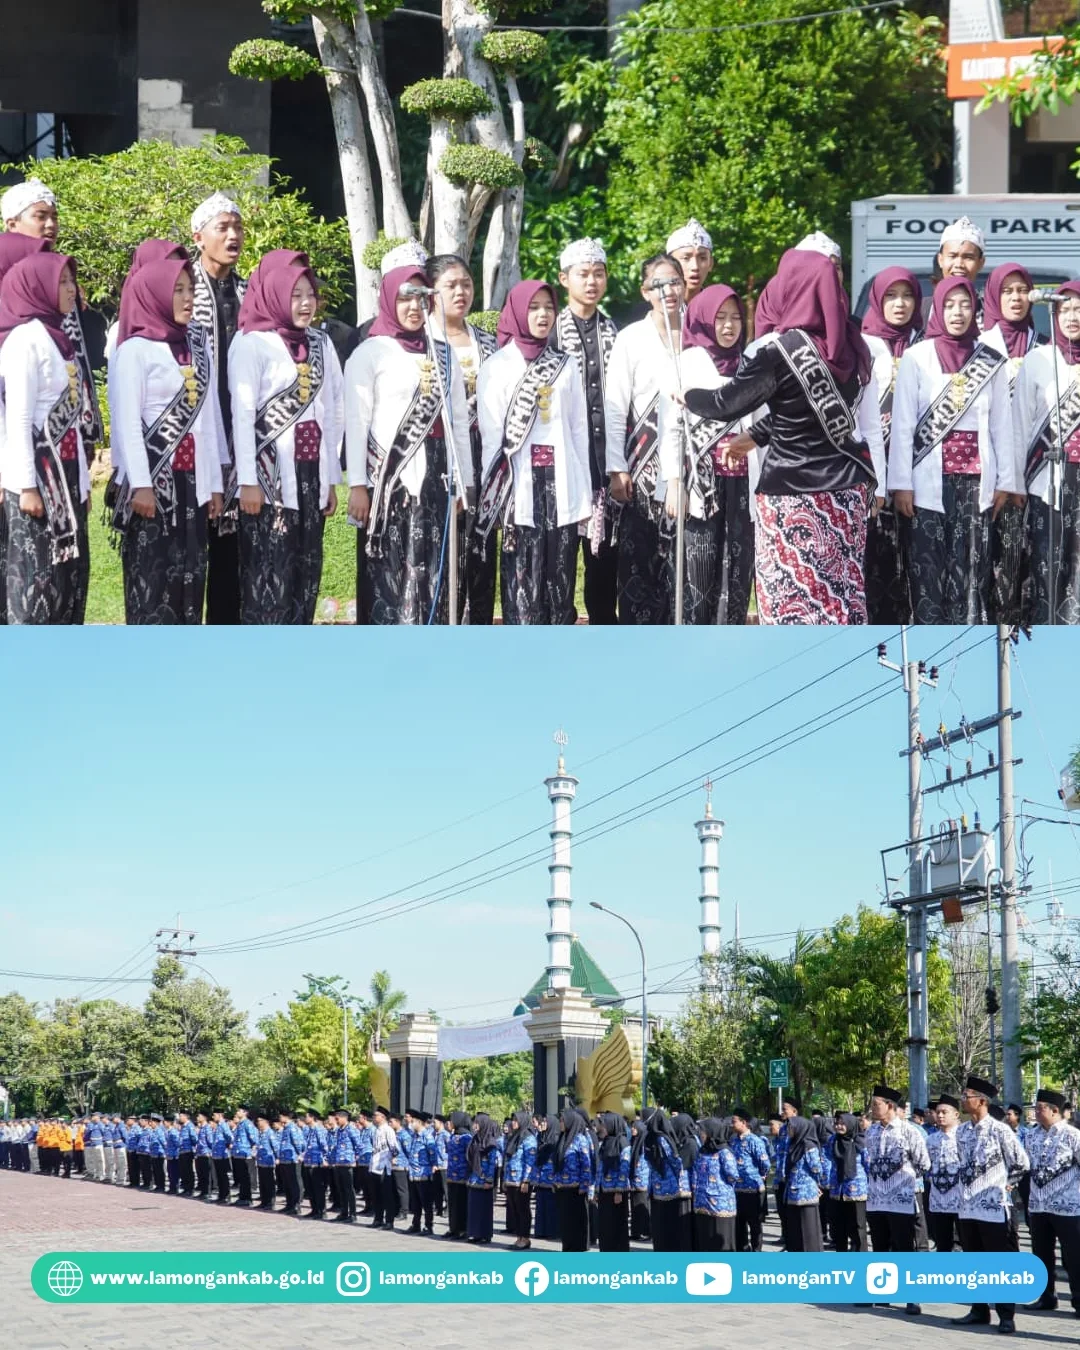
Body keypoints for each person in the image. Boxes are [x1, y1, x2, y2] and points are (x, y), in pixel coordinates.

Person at [683, 249, 885, 624]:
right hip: (848, 492)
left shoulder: (779, 352)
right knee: (842, 597)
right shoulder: (853, 346)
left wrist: (687, 395)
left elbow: (726, 404)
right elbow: (804, 414)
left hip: (791, 494)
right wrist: (756, 436)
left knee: (790, 599)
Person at [344, 266, 471, 625]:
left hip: (437, 477)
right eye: (404, 298)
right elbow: (356, 423)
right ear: (388, 300)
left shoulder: (444, 354)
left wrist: (464, 482)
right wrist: (357, 485)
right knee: (390, 571)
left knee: (433, 568)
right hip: (390, 481)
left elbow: (458, 423)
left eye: (420, 297)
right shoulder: (370, 352)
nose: (414, 307)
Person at [889, 276, 1015, 624]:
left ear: (975, 310)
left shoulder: (991, 360)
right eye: (948, 304)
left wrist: (1005, 481)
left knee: (973, 573)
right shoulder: (916, 358)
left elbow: (1001, 426)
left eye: (964, 304)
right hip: (926, 484)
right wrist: (901, 484)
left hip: (977, 485)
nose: (957, 312)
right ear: (937, 309)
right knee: (928, 571)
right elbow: (903, 425)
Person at [109, 257, 226, 623]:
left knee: (191, 575)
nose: (188, 298)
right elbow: (128, 424)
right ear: (155, 294)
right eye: (178, 290)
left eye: (191, 289)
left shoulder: (196, 344)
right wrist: (141, 485)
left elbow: (208, 419)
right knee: (153, 578)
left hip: (193, 482)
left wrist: (215, 484)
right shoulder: (135, 350)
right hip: (155, 483)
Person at [229, 255, 342, 623]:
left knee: (306, 570)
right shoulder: (251, 343)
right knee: (269, 571)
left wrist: (330, 479)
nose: (306, 303)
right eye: (296, 295)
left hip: (311, 474)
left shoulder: (321, 343)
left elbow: (333, 409)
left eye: (310, 294)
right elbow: (243, 416)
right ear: (276, 295)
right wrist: (247, 481)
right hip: (268, 479)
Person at [476, 280, 590, 624]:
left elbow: (578, 430)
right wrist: (496, 499)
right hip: (517, 488)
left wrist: (584, 493)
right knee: (522, 581)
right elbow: (492, 440)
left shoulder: (566, 364)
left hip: (561, 484)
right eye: (534, 307)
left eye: (549, 307)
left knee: (560, 580)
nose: (543, 315)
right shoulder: (496, 366)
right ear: (517, 312)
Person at [1, 252, 91, 623]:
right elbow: (19, 418)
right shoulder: (25, 340)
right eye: (62, 282)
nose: (72, 289)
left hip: (67, 477)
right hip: (38, 479)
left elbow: (75, 418)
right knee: (36, 580)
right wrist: (27, 488)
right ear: (39, 287)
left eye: (72, 281)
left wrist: (84, 484)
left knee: (70, 577)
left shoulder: (61, 337)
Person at [659, 283, 757, 623]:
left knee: (738, 573)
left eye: (735, 318)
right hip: (701, 486)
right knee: (698, 575)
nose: (729, 326)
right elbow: (671, 428)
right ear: (703, 320)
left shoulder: (751, 362)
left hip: (743, 486)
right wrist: (674, 483)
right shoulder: (685, 363)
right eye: (720, 318)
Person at [605, 253, 686, 624]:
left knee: (684, 562)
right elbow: (615, 406)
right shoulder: (630, 339)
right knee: (641, 562)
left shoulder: (698, 333)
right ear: (645, 292)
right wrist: (616, 467)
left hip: (689, 466)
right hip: (641, 466)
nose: (668, 291)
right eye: (658, 284)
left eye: (674, 282)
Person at [2, 179, 103, 460]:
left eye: (54, 217)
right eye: (40, 216)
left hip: (64, 421)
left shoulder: (59, 276)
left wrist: (85, 426)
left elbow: (77, 356)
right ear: (12, 224)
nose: (50, 225)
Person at [424, 253, 498, 624]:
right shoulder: (423, 342)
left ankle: (478, 628)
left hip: (484, 458)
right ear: (431, 292)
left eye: (466, 284)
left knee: (481, 548)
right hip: (439, 459)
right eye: (450, 285)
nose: (461, 292)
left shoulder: (489, 343)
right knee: (442, 550)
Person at [553, 237, 621, 624]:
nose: (592, 282)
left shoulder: (615, 333)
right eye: (583, 274)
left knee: (604, 571)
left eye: (598, 274)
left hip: (604, 471)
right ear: (565, 279)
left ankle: (604, 637)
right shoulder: (551, 334)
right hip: (565, 470)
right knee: (560, 568)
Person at [189, 192, 248, 624]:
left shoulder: (249, 293)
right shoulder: (182, 292)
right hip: (195, 438)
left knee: (234, 557)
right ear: (198, 237)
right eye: (222, 228)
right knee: (191, 556)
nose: (233, 236)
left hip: (239, 434)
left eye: (237, 227)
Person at [1013, 280, 1080, 624]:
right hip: (1048, 479)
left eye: (1078, 309)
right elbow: (1020, 424)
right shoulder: (1038, 360)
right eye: (1064, 309)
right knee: (1048, 564)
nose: (1072, 317)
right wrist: (1015, 483)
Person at [860, 266, 924, 623]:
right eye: (891, 296)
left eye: (908, 296)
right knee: (876, 561)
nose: (900, 304)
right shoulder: (861, 344)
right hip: (874, 469)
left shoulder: (926, 344)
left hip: (919, 469)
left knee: (916, 562)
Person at [981, 263, 1042, 624]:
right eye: (1007, 291)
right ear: (993, 296)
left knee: (1029, 558)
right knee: (991, 559)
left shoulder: (1045, 348)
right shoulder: (979, 348)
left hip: (1035, 469)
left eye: (1022, 290)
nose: (1016, 298)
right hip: (991, 471)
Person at [952, 1075, 1029, 1335]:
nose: (963, 1100)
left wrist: (1008, 1184)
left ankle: (1006, 1315)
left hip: (995, 1209)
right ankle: (978, 1309)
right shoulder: (961, 1131)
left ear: (982, 1101)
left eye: (967, 1096)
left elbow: (1021, 1163)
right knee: (974, 1261)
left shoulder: (1000, 1130)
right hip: (967, 1207)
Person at [864, 1084, 930, 1316]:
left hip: (901, 1200)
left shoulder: (909, 1131)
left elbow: (924, 1163)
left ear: (890, 1106)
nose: (872, 1108)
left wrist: (903, 1181)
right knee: (880, 1245)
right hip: (876, 1199)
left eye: (876, 1104)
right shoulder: (871, 1132)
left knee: (905, 1248)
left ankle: (912, 1295)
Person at [1025, 1086, 1080, 1317]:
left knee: (1074, 1256)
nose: (1036, 1112)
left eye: (1040, 1109)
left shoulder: (1072, 1135)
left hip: (1068, 1207)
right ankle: (1046, 1296)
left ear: (1054, 1110)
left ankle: (1078, 1300)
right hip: (1038, 1206)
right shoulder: (1031, 1135)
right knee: (1041, 1254)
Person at [644, 1109, 692, 1252]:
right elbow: (674, 1161)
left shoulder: (657, 1139)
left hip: (663, 1187)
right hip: (665, 1186)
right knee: (665, 1224)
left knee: (665, 1223)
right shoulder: (656, 1138)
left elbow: (672, 1160)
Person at [690, 1117, 739, 1252]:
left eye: (703, 1131)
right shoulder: (702, 1151)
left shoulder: (724, 1152)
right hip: (702, 1203)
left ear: (712, 1132)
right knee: (705, 1239)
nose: (701, 1134)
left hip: (720, 1204)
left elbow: (733, 1175)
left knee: (720, 1240)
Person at [926, 1093, 963, 1252]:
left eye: (944, 1112)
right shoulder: (931, 1140)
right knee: (942, 1245)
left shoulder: (964, 1137)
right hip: (938, 1200)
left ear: (956, 1114)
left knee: (966, 1244)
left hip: (961, 1200)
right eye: (938, 1112)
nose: (940, 1115)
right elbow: (925, 1164)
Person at [552, 1107, 592, 1251]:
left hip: (576, 1190)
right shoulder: (562, 1139)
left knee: (576, 1223)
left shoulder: (580, 1139)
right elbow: (557, 1163)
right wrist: (555, 1181)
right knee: (565, 1223)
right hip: (562, 1188)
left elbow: (586, 1165)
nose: (560, 1123)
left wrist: (584, 1186)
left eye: (562, 1121)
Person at [783, 1115, 825, 1251]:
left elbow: (816, 1168)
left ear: (800, 1128)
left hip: (806, 1194)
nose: (788, 1130)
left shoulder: (809, 1146)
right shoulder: (793, 1144)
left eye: (791, 1127)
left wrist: (816, 1184)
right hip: (792, 1193)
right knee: (795, 1230)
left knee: (808, 1230)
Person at [729, 1107, 769, 1251]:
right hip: (737, 1190)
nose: (731, 1124)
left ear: (744, 1122)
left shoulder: (755, 1141)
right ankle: (743, 1251)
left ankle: (757, 1251)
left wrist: (759, 1176)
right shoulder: (733, 1141)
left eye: (734, 1121)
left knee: (755, 1224)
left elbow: (765, 1164)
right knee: (739, 1224)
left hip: (752, 1189)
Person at [828, 1111, 868, 1252]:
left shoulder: (860, 1141)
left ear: (850, 1124)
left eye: (842, 1124)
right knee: (839, 1227)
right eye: (837, 1123)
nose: (838, 1126)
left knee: (857, 1226)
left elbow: (868, 1164)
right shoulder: (833, 1140)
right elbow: (828, 1158)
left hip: (856, 1190)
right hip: (837, 1188)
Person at [594, 1112, 630, 1252]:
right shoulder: (605, 1142)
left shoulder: (622, 1142)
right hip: (604, 1190)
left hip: (616, 1192)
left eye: (605, 1124)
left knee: (616, 1224)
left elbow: (624, 1168)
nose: (602, 1127)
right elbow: (600, 1168)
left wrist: (619, 1191)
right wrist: (597, 1189)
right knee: (605, 1225)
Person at [502, 1108, 536, 1248]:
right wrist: (505, 1179)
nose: (513, 1122)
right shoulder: (514, 1137)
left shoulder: (529, 1138)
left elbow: (530, 1161)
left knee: (523, 1209)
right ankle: (519, 1237)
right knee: (514, 1209)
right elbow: (507, 1160)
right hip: (511, 1179)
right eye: (513, 1120)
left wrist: (526, 1180)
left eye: (516, 1120)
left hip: (522, 1181)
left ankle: (525, 1238)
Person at [465, 1112, 500, 1244]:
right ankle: (475, 1233)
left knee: (484, 1209)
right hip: (474, 1179)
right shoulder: (475, 1139)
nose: (474, 1125)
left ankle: (485, 1234)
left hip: (484, 1180)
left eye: (477, 1123)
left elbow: (492, 1164)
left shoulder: (490, 1142)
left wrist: (489, 1180)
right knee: (474, 1208)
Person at [666, 219, 713, 303]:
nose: (695, 267)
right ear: (670, 264)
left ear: (710, 264)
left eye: (702, 258)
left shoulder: (717, 307)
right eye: (686, 258)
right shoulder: (657, 307)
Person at [369, 1106, 399, 1230]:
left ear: (382, 1117)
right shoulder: (376, 1130)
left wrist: (393, 1157)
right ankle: (378, 1219)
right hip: (374, 1165)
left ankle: (389, 1221)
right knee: (376, 1194)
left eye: (375, 1115)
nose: (373, 1117)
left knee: (387, 1195)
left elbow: (394, 1147)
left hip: (384, 1166)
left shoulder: (388, 1130)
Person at [406, 1109, 435, 1234]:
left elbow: (432, 1153)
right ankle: (416, 1224)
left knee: (426, 1203)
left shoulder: (427, 1136)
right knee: (415, 1202)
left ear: (419, 1122)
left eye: (413, 1121)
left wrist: (433, 1166)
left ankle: (428, 1226)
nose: (411, 1123)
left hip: (423, 1174)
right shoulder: (414, 1136)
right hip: (413, 1174)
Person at [301, 1109, 330, 1219]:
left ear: (312, 1117)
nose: (305, 1118)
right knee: (310, 1188)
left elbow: (324, 1146)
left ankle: (321, 1211)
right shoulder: (309, 1130)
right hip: (308, 1162)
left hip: (317, 1163)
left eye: (306, 1116)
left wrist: (325, 1159)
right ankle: (314, 1210)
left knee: (318, 1189)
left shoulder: (319, 1129)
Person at [628, 1111, 652, 1242]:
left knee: (642, 1205)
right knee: (634, 1206)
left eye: (634, 1127)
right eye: (632, 1127)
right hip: (634, 1180)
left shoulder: (643, 1142)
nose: (632, 1129)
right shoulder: (633, 1141)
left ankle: (645, 1232)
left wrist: (639, 1177)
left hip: (642, 1180)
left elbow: (644, 1162)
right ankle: (636, 1231)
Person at [276, 1110, 304, 1215]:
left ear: (286, 1117)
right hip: (285, 1159)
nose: (279, 1118)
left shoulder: (292, 1127)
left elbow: (297, 1142)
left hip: (292, 1159)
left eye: (281, 1116)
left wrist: (299, 1154)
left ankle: (296, 1205)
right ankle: (289, 1204)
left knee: (293, 1183)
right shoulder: (286, 1128)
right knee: (287, 1183)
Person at [255, 1114, 279, 1209]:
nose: (258, 1123)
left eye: (259, 1120)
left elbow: (275, 1147)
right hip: (261, 1161)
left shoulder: (270, 1133)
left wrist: (277, 1158)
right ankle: (264, 1201)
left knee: (269, 1182)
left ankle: (270, 1202)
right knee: (262, 1182)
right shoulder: (261, 1133)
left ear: (265, 1121)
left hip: (268, 1161)